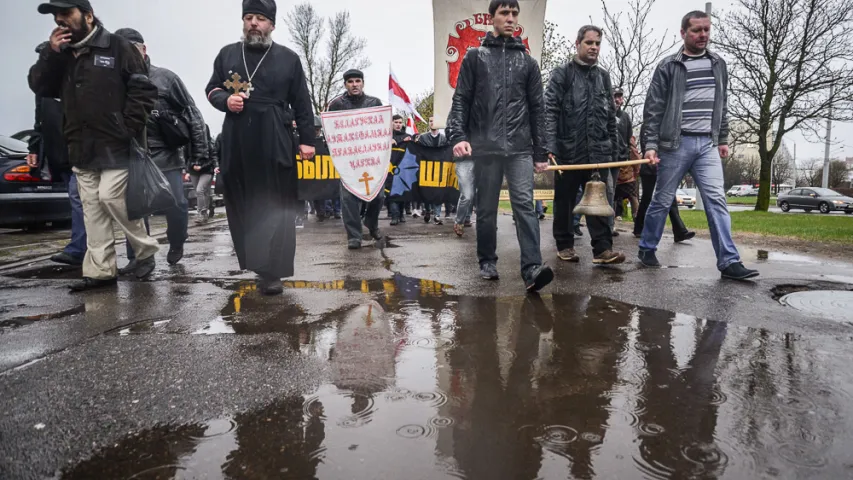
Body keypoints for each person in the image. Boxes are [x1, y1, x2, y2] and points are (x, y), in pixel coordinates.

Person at [29, 0, 160, 292]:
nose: (60, 20)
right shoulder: (60, 54)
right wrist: (50, 54)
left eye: (66, 13)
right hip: (80, 144)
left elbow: (144, 89)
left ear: (87, 16)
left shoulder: (117, 46)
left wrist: (127, 127)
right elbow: (41, 87)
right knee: (92, 209)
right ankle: (101, 271)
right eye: (56, 16)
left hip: (117, 145)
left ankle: (146, 249)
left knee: (111, 197)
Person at [205, 0, 316, 295]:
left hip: (274, 136)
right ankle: (255, 261)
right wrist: (225, 101)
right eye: (249, 17)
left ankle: (272, 271)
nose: (254, 23)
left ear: (272, 25)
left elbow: (303, 103)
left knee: (274, 200)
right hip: (238, 138)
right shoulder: (227, 54)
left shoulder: (288, 58)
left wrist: (307, 139)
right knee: (243, 200)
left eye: (261, 19)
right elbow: (213, 88)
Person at [639, 10, 758, 280]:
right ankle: (647, 248)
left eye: (706, 29)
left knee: (717, 200)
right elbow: (654, 109)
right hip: (675, 143)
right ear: (683, 33)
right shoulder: (668, 66)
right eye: (696, 30)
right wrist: (651, 145)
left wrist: (723, 138)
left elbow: (722, 104)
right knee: (661, 199)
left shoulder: (718, 64)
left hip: (707, 144)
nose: (703, 35)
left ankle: (729, 262)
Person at [447, 0, 554, 293]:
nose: (510, 18)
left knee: (524, 206)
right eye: (504, 13)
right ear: (492, 18)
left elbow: (538, 109)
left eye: (514, 13)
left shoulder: (529, 63)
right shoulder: (474, 57)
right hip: (485, 146)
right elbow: (461, 100)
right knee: (486, 208)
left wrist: (540, 151)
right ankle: (487, 260)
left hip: (520, 147)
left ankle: (532, 268)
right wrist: (457, 136)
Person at [115, 28, 208, 267]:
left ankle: (177, 241)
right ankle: (139, 256)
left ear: (144, 50)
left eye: (131, 50)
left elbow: (192, 114)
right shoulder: (114, 82)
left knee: (176, 204)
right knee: (135, 208)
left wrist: (199, 153)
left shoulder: (166, 79)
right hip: (132, 154)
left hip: (165, 153)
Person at [544, 25, 625, 265]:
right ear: (577, 43)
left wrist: (615, 149)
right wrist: (550, 145)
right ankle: (564, 245)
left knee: (598, 201)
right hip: (568, 151)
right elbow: (550, 111)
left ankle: (602, 250)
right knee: (565, 200)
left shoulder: (603, 76)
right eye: (589, 43)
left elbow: (610, 116)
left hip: (597, 152)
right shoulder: (562, 74)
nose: (594, 47)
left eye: (597, 43)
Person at [26, 42, 88, 267]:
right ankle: (84, 247)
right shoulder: (43, 88)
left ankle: (79, 249)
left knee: (78, 197)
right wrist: (34, 148)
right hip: (56, 151)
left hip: (79, 150)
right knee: (78, 200)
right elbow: (39, 119)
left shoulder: (77, 80)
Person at [326, 69, 385, 250]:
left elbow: (382, 125)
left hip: (371, 158)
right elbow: (331, 131)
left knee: (378, 195)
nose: (354, 84)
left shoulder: (374, 102)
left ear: (363, 83)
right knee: (349, 199)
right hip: (348, 160)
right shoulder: (336, 104)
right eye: (350, 81)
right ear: (345, 84)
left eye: (357, 81)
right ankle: (354, 235)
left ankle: (371, 223)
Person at [609, 87, 633, 236]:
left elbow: (628, 137)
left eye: (620, 97)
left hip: (619, 160)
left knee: (613, 193)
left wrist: (626, 155)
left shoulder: (625, 117)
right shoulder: (604, 114)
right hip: (604, 159)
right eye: (615, 96)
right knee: (607, 191)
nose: (618, 100)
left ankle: (610, 225)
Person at [417, 116, 449, 226]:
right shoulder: (422, 138)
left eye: (434, 121)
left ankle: (437, 215)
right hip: (426, 168)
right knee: (427, 192)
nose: (432, 123)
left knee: (439, 192)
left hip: (440, 169)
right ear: (428, 123)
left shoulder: (444, 139)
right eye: (430, 121)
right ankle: (427, 210)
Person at [188, 125, 218, 225]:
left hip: (207, 170)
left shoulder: (210, 144)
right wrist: (192, 166)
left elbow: (213, 158)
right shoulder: (190, 144)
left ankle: (201, 213)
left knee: (200, 190)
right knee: (202, 193)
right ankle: (207, 210)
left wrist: (203, 166)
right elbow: (186, 158)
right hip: (194, 171)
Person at [389, 115, 411, 226]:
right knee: (391, 193)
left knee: (402, 193)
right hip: (390, 169)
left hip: (403, 170)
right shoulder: (387, 136)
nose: (398, 124)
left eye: (400, 122)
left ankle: (401, 214)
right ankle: (394, 215)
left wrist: (400, 140)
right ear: (391, 123)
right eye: (396, 122)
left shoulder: (407, 136)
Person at [614, 136, 641, 220]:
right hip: (628, 175)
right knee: (633, 197)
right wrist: (636, 171)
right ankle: (637, 221)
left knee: (612, 197)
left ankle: (610, 224)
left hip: (615, 172)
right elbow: (634, 154)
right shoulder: (629, 137)